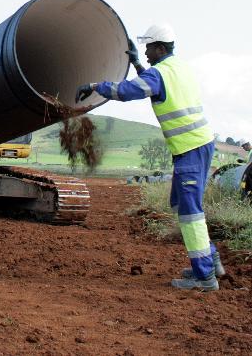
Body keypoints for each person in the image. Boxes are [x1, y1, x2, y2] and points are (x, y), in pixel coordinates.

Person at [76, 23, 223, 292]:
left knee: (190, 213)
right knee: (183, 205)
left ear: (160, 48)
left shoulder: (160, 74)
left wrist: (95, 86)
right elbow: (154, 85)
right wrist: (136, 64)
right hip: (198, 146)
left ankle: (205, 277)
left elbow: (129, 91)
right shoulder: (176, 68)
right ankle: (210, 259)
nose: (145, 53)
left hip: (190, 148)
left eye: (147, 49)